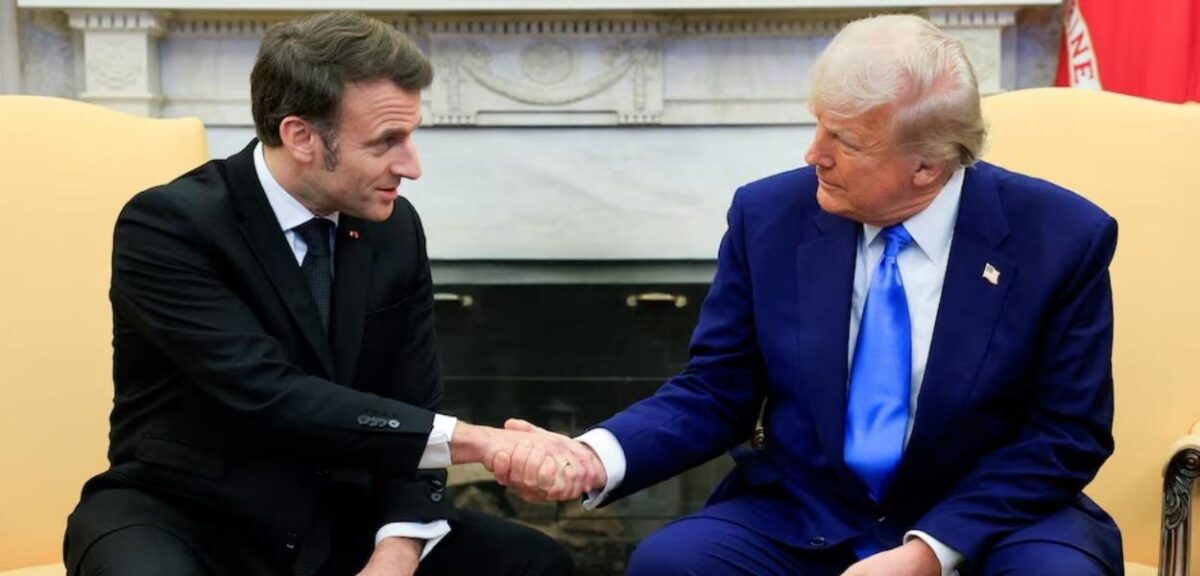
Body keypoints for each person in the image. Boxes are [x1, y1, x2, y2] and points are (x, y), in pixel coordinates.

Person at [495, 14, 1124, 576]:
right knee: (672, 562)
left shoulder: (1061, 238)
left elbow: (1065, 435)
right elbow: (716, 390)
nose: (813, 154)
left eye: (845, 142)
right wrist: (593, 456)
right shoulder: (769, 216)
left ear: (927, 165)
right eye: (818, 125)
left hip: (992, 517)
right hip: (809, 510)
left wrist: (930, 551)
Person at [63, 11, 603, 576]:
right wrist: (481, 442)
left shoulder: (394, 228)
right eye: (386, 141)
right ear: (301, 136)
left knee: (532, 563)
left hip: (339, 515)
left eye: (410, 135)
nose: (412, 166)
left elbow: (412, 405)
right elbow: (268, 393)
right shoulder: (169, 225)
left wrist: (397, 550)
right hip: (185, 516)